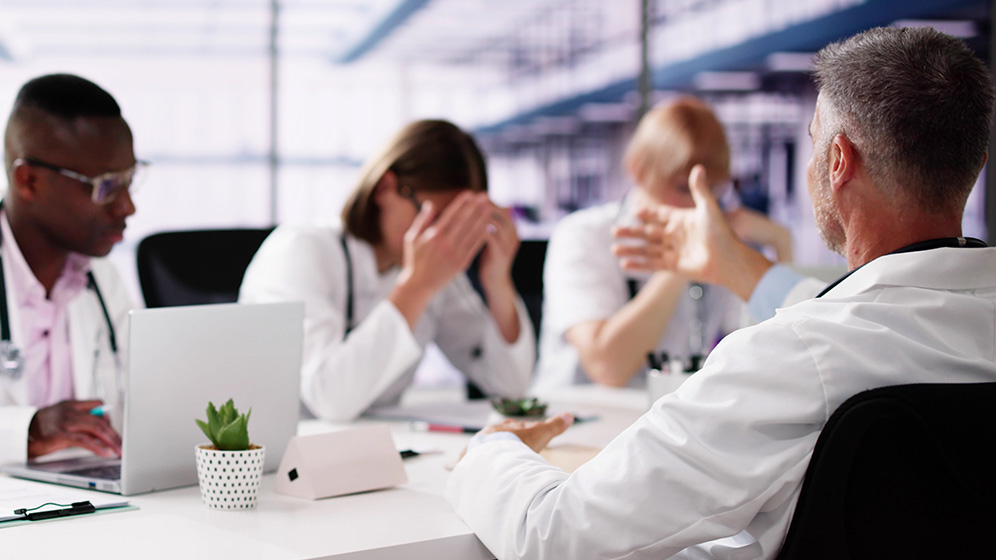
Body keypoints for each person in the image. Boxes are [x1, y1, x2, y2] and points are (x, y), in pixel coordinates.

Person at [446, 26, 996, 559]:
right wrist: (741, 266)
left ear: (837, 163)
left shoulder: (794, 357)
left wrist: (495, 450)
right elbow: (872, 319)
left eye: (812, 144)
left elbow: (557, 535)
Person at [239, 119, 534, 422]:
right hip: (286, 455)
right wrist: (416, 288)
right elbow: (330, 400)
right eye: (438, 220)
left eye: (462, 225)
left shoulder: (435, 274)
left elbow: (510, 388)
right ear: (385, 187)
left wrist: (498, 282)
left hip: (374, 447)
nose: (447, 239)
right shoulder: (302, 250)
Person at [534, 97, 791, 391]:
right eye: (684, 187)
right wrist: (680, 262)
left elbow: (768, 353)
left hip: (662, 421)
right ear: (638, 169)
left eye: (713, 189)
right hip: (578, 422)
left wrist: (782, 243)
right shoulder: (582, 235)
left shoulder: (714, 238)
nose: (700, 205)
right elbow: (606, 366)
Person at [0, 74, 140, 466]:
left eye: (130, 180)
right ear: (29, 181)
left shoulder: (102, 281)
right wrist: (27, 431)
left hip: (91, 505)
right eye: (105, 185)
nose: (127, 207)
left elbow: (144, 405)